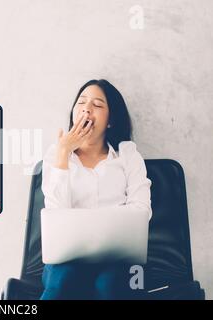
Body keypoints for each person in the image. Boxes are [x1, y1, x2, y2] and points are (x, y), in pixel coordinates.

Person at [40, 79, 152, 300]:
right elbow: (55, 214)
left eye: (98, 105)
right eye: (81, 103)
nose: (87, 109)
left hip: (119, 260)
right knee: (63, 281)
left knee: (109, 285)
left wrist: (100, 222)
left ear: (110, 121)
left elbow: (141, 210)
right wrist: (64, 154)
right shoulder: (57, 155)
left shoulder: (128, 156)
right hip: (67, 261)